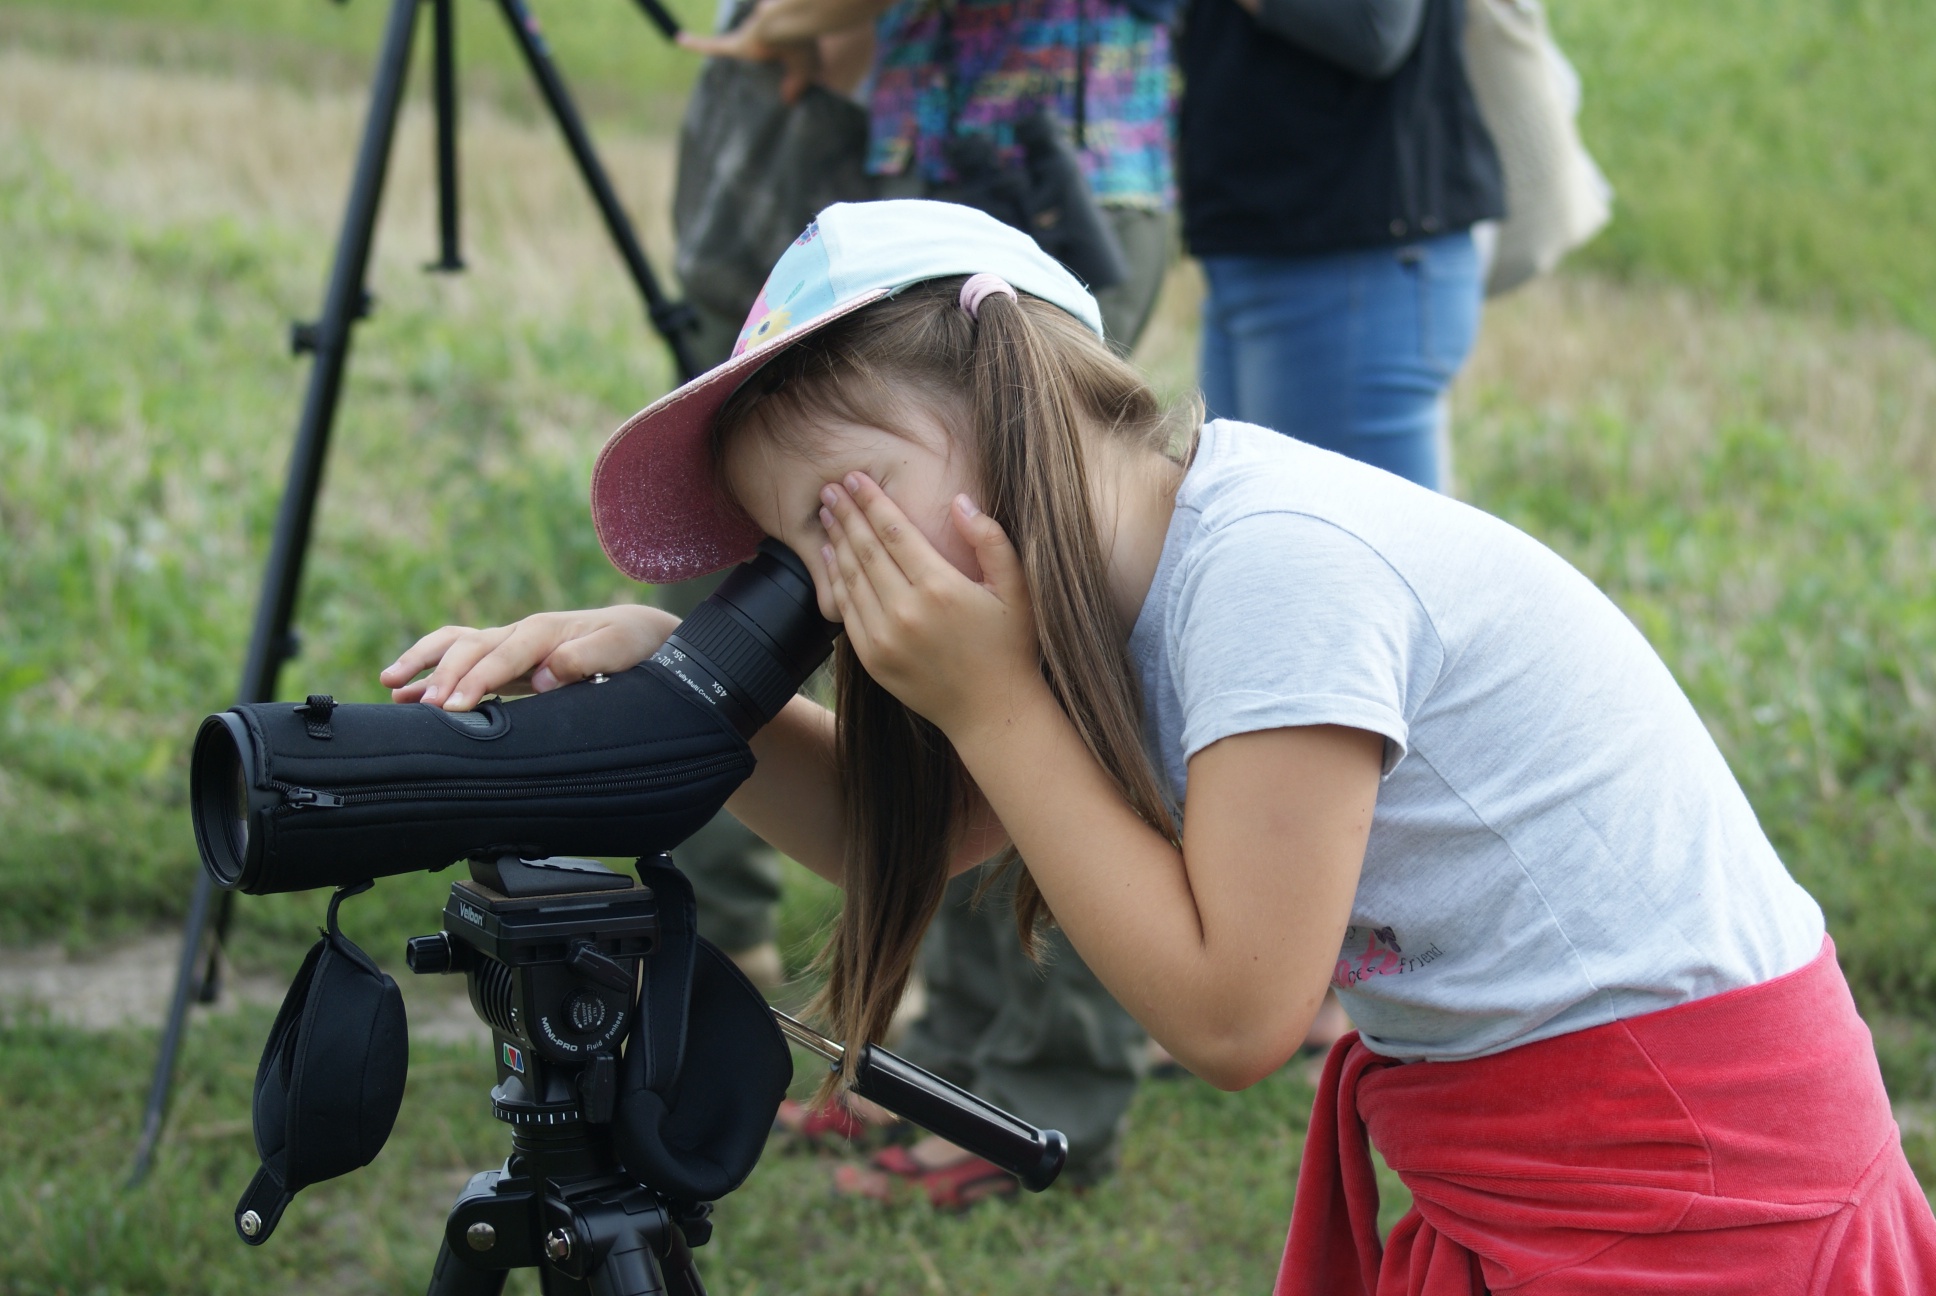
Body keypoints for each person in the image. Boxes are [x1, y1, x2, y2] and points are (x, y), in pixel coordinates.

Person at [381, 201, 1936, 1291]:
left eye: (837, 510)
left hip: (1695, 1174)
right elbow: (886, 838)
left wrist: (988, 701)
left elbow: (1235, 1013)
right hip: (1556, 1144)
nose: (829, 591)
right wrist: (674, 669)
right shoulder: (1133, 590)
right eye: (789, 560)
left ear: (1010, 394)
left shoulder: (1276, 567)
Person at [675, 0, 1179, 1199]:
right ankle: (953, 1055)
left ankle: (1042, 1090)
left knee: (1047, 663)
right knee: (955, 673)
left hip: (1054, 159)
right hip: (928, 163)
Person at [1180, 0, 1502, 492]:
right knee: (1260, 548)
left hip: (1348, 262)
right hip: (1266, 247)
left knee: (1350, 561)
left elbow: (1374, 25)